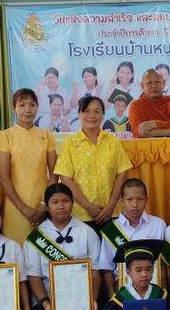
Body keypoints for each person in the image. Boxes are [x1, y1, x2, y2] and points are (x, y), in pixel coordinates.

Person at [24, 183, 101, 310]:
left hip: (81, 300)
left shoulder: (87, 231)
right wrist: (46, 304)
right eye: (55, 202)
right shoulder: (36, 237)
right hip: (50, 300)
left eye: (65, 201)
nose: (61, 206)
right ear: (47, 206)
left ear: (73, 203)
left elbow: (95, 272)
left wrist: (92, 300)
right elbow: (34, 276)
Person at [54, 96, 132, 231]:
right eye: (86, 111)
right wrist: (88, 206)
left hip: (112, 212)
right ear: (79, 114)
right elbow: (65, 178)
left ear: (103, 115)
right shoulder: (70, 143)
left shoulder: (113, 141)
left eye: (96, 111)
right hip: (82, 215)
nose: (91, 116)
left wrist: (111, 205)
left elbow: (122, 173)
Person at [0, 88, 57, 243]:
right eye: (22, 105)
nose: (28, 110)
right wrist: (24, 208)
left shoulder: (46, 135)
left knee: (43, 249)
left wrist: (43, 204)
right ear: (14, 108)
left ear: (37, 107)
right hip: (15, 206)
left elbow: (54, 172)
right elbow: (3, 177)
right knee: (16, 250)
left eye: (32, 105)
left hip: (43, 203)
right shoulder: (5, 136)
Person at [97, 178, 167, 296]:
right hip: (124, 291)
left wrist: (163, 294)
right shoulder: (111, 230)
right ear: (122, 201)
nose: (135, 204)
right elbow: (107, 269)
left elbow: (163, 264)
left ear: (146, 199)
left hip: (154, 289)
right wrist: (113, 297)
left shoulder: (158, 225)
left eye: (140, 199)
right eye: (129, 200)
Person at [127, 69, 170, 138]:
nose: (154, 86)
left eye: (157, 82)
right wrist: (169, 132)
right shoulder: (136, 106)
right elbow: (138, 133)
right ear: (142, 86)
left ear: (164, 84)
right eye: (149, 83)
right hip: (147, 145)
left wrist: (154, 124)